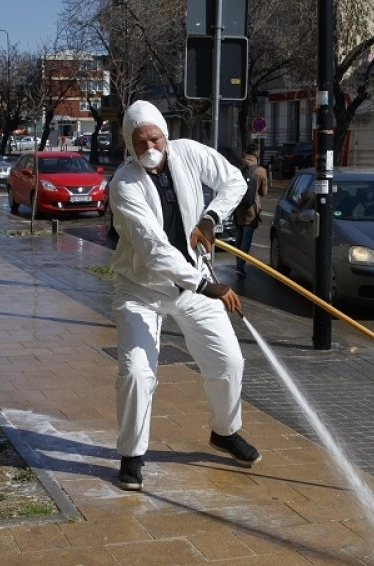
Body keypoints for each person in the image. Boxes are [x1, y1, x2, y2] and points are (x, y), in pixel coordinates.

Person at [107, 100, 262, 491]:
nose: (150, 147)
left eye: (155, 138)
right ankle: (132, 455)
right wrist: (207, 285)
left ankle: (225, 432)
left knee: (229, 360)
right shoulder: (124, 184)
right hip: (141, 288)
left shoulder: (189, 153)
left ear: (165, 134)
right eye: (140, 142)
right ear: (129, 144)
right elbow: (152, 248)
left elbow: (235, 181)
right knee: (136, 372)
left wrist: (210, 219)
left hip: (192, 282)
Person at [232, 144, 269, 277]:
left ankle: (238, 263)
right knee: (246, 239)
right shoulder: (260, 171)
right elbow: (264, 192)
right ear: (256, 154)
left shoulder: (238, 168)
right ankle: (240, 266)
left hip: (238, 208)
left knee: (239, 237)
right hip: (252, 209)